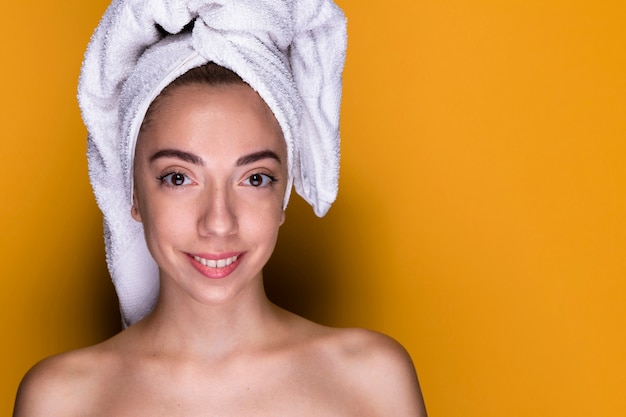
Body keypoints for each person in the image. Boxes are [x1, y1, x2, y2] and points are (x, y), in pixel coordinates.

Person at [14, 1, 427, 416]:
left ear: (282, 197)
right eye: (178, 178)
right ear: (134, 195)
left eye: (254, 178)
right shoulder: (61, 400)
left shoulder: (373, 380)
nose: (218, 221)